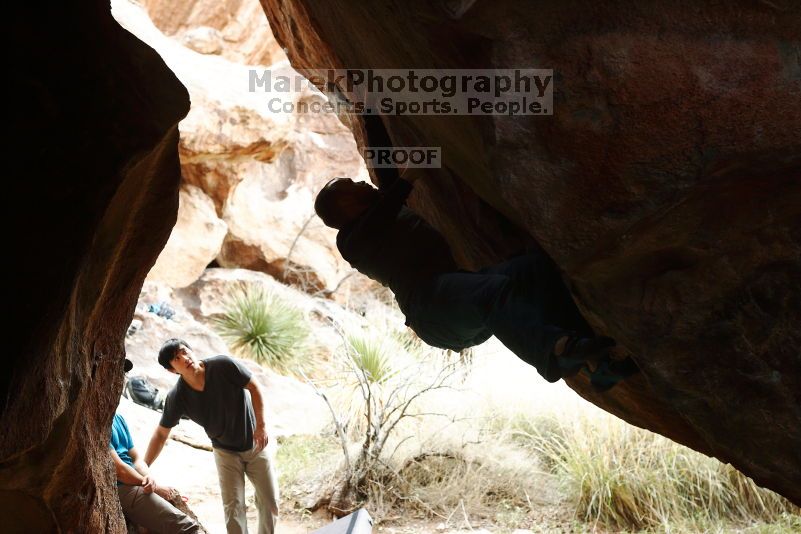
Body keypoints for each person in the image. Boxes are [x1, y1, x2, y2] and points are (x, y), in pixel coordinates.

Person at [314, 153, 637, 391]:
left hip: (455, 292)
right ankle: (556, 352)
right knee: (491, 292)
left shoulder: (380, 213)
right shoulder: (353, 241)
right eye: (353, 186)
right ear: (346, 208)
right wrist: (410, 177)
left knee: (534, 269)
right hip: (431, 310)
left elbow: (384, 189)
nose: (361, 182)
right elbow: (381, 213)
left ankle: (598, 360)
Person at [145, 340, 279, 534]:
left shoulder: (222, 365)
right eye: (176, 358)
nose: (184, 358)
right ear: (172, 370)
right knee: (233, 509)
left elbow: (254, 387)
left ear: (191, 350)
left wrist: (261, 426)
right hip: (225, 452)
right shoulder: (177, 396)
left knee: (269, 501)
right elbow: (161, 433)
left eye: (183, 351)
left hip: (255, 443)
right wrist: (144, 467)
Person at [111, 359, 200, 533]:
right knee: (187, 528)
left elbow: (135, 458)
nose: (119, 379)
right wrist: (152, 486)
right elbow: (118, 470)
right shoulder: (96, 420)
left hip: (134, 482)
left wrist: (149, 480)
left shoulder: (118, 418)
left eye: (121, 374)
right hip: (120, 486)